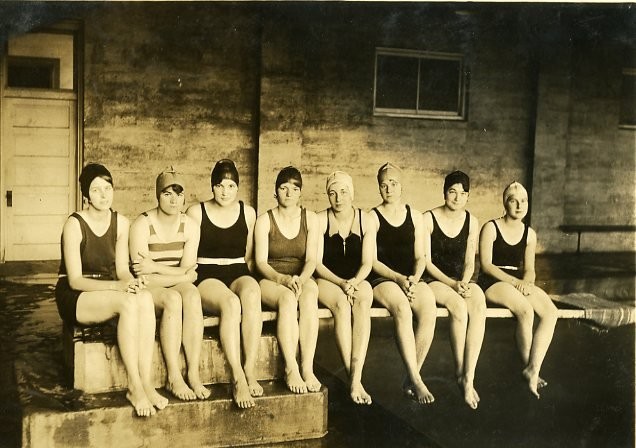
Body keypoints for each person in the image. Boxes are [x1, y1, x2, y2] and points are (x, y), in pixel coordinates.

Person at [55, 163, 167, 417]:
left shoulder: (121, 222)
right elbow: (74, 280)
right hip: (77, 294)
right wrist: (119, 288)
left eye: (108, 188)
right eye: (96, 190)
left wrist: (131, 283)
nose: (104, 195)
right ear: (85, 195)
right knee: (126, 303)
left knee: (145, 298)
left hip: (108, 288)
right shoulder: (74, 224)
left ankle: (147, 382)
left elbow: (122, 270)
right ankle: (134, 387)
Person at [186, 159, 262, 409]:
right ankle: (237, 376)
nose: (225, 191)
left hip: (237, 268)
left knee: (251, 293)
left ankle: (250, 369)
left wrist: (244, 279)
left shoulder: (248, 212)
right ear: (212, 187)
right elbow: (190, 253)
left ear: (237, 187)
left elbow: (249, 255)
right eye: (220, 185)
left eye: (230, 185)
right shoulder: (197, 212)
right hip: (207, 272)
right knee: (230, 302)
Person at [129, 167, 210, 401]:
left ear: (185, 197)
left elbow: (188, 269)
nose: (174, 200)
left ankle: (193, 374)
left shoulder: (191, 226)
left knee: (192, 295)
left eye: (179, 194)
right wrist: (181, 277)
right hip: (149, 289)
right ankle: (174, 376)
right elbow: (142, 276)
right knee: (174, 298)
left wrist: (155, 266)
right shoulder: (142, 224)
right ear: (157, 195)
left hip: (169, 279)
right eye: (167, 193)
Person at [478, 181, 558, 399]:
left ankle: (533, 367)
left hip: (516, 282)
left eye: (524, 201)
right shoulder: (491, 227)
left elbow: (530, 269)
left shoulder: (529, 234)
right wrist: (516, 283)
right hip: (492, 282)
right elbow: (486, 265)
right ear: (505, 204)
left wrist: (528, 283)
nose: (519, 205)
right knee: (525, 310)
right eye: (514, 201)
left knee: (551, 312)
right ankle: (527, 366)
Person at [369, 162, 437, 404]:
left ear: (401, 187)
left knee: (429, 309)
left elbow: (421, 257)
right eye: (384, 184)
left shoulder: (416, 217)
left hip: (410, 277)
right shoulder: (372, 217)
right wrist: (398, 279)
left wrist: (414, 279)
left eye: (393, 183)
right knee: (402, 309)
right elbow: (372, 261)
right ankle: (417, 380)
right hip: (382, 279)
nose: (389, 188)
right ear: (379, 188)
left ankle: (412, 375)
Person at [254, 166, 321, 395]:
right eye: (283, 188)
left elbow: (312, 259)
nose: (289, 193)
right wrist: (282, 279)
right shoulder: (265, 220)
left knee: (310, 295)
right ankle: (291, 367)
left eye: (294, 189)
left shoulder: (310, 218)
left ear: (300, 193)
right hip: (271, 279)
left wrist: (301, 280)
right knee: (288, 300)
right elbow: (260, 262)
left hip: (300, 276)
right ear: (275, 192)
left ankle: (307, 367)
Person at [422, 170, 486, 409]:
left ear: (468, 197)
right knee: (459, 306)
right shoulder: (428, 218)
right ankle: (460, 372)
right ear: (444, 193)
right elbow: (426, 261)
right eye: (452, 192)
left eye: (463, 193)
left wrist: (466, 281)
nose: (457, 198)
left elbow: (470, 260)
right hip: (434, 279)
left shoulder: (472, 221)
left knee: (478, 304)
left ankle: (469, 375)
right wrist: (453, 285)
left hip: (461, 280)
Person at [315, 171, 375, 405]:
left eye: (343, 192)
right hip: (328, 281)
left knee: (363, 301)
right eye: (332, 193)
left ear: (352, 193)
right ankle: (355, 380)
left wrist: (355, 282)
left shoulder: (366, 219)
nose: (338, 198)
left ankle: (355, 377)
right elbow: (317, 264)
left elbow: (367, 262)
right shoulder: (320, 219)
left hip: (357, 279)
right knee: (341, 305)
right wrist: (341, 283)